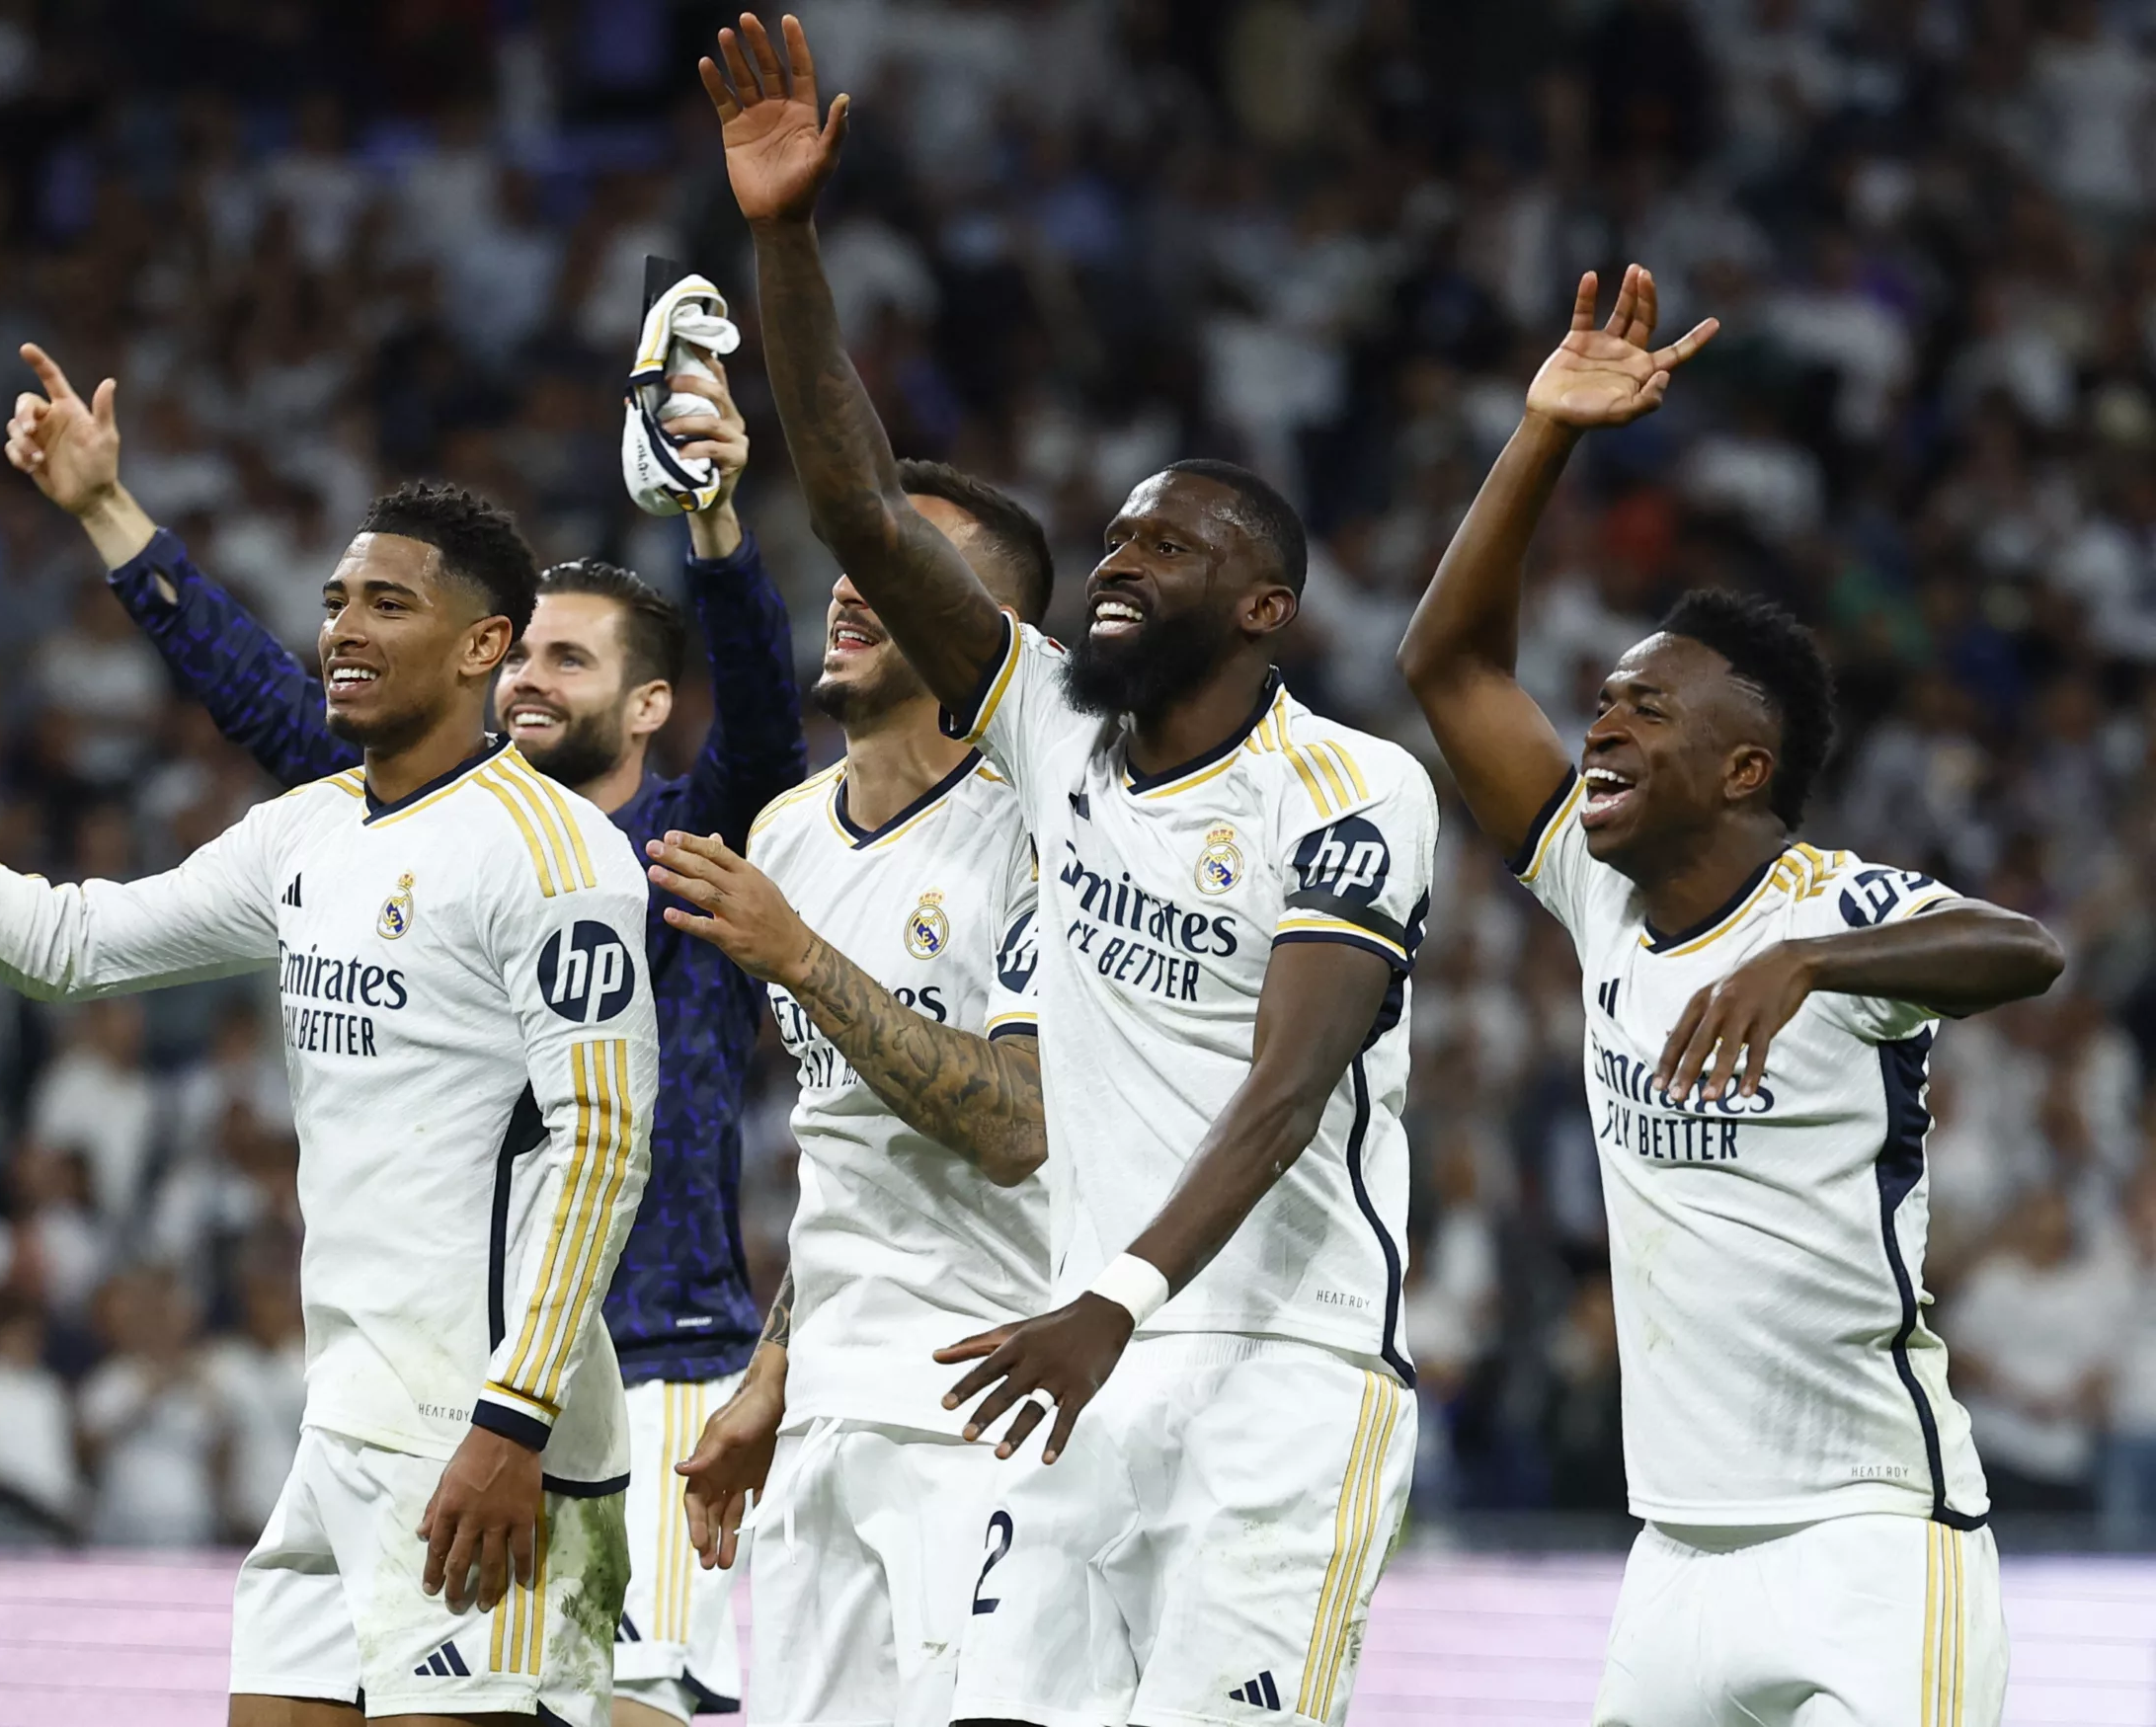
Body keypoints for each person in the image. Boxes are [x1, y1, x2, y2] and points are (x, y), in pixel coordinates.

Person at [700, 19, 1441, 1726]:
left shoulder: (1350, 785)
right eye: (1111, 533)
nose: (1120, 556)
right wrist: (786, 242)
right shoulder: (1055, 730)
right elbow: (866, 509)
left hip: (1279, 1370)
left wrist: (1110, 1299)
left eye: (1166, 541)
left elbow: (1283, 1088)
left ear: (1264, 606)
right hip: (1075, 1371)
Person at [0, 476, 657, 1727]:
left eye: (388, 604)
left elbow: (603, 1147)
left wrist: (514, 1422)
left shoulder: (555, 854)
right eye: (337, 601)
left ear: (482, 647)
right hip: (343, 1413)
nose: (341, 628)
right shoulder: (307, 832)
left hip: (482, 1421)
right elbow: (71, 944)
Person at [3, 342, 799, 1727]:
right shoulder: (432, 832)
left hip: (652, 1368)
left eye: (569, 654)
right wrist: (112, 517)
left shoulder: (681, 851)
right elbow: (266, 690)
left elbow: (770, 722)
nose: (529, 677)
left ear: (655, 705)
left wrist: (714, 521)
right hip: (443, 1376)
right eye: (524, 648)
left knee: (635, 1706)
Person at [1397, 265, 2066, 1727]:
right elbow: (1445, 665)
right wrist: (1545, 434)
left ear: (1745, 769)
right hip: (1675, 1557)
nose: (1602, 718)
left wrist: (1815, 961)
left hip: (1878, 1541)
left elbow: (2026, 948)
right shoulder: (1594, 886)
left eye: (1647, 706)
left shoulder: (1840, 906)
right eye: (1605, 698)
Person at [647, 458, 1054, 1727]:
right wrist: (772, 1379)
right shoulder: (787, 842)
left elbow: (1017, 1125)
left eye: (895, 570)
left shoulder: (1043, 829)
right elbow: (844, 1147)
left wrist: (804, 959)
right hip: (823, 1411)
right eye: (850, 562)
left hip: (990, 1409)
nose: (847, 590)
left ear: (976, 631)